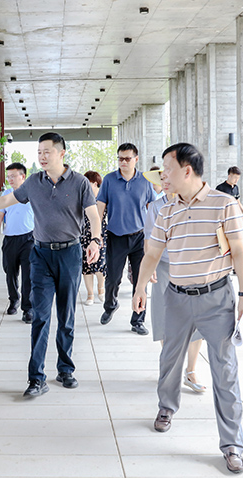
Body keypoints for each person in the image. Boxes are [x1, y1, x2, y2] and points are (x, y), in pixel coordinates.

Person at [133, 143, 243, 474]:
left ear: (187, 170)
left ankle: (232, 444)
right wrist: (140, 287)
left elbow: (239, 252)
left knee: (225, 370)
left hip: (216, 299)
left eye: (167, 170)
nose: (163, 176)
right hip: (176, 297)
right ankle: (166, 406)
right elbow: (152, 253)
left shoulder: (224, 204)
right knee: (169, 359)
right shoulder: (167, 210)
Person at [0, 132, 102, 397]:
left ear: (61, 153)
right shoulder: (33, 182)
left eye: (47, 152)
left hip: (69, 254)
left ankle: (65, 369)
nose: (42, 156)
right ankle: (36, 378)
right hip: (40, 254)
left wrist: (96, 241)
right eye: (39, 152)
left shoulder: (79, 183)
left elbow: (93, 215)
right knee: (40, 316)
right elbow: (4, 201)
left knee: (66, 315)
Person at [143, 170, 206, 394]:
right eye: (162, 178)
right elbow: (149, 239)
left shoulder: (194, 203)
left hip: (191, 268)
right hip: (163, 266)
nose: (166, 181)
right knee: (163, 317)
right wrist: (149, 268)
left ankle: (191, 371)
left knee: (195, 318)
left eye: (169, 176)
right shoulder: (155, 207)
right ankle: (171, 368)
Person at [97, 143, 155, 335]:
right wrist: (97, 235)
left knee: (140, 281)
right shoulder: (109, 180)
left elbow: (152, 208)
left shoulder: (145, 181)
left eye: (127, 158)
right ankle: (110, 305)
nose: (123, 162)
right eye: (120, 158)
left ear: (136, 159)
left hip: (140, 238)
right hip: (116, 237)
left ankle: (138, 320)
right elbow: (100, 207)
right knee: (112, 278)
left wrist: (155, 236)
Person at [0, 162, 34, 323]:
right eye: (8, 176)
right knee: (10, 272)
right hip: (10, 239)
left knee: (28, 275)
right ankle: (14, 299)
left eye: (13, 176)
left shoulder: (32, 194)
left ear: (23, 176)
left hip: (29, 239)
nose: (10, 179)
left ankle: (28, 309)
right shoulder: (7, 194)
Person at [81, 171, 107, 306]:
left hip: (100, 236)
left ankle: (101, 289)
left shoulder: (102, 199)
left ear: (95, 183)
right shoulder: (83, 199)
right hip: (85, 235)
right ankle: (90, 294)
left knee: (100, 265)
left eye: (88, 183)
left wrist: (100, 235)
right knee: (86, 266)